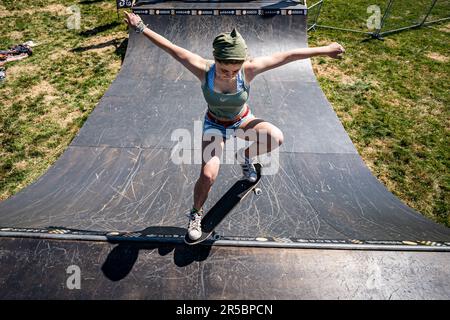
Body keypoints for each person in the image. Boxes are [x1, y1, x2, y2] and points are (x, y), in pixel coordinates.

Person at [123, 12, 345, 240]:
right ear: (215, 60)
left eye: (234, 71)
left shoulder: (249, 69)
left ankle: (246, 157)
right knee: (208, 175)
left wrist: (325, 50)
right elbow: (170, 47)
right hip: (214, 126)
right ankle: (195, 213)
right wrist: (141, 27)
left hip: (242, 120)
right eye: (224, 70)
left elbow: (289, 55)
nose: (229, 75)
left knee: (275, 137)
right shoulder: (202, 69)